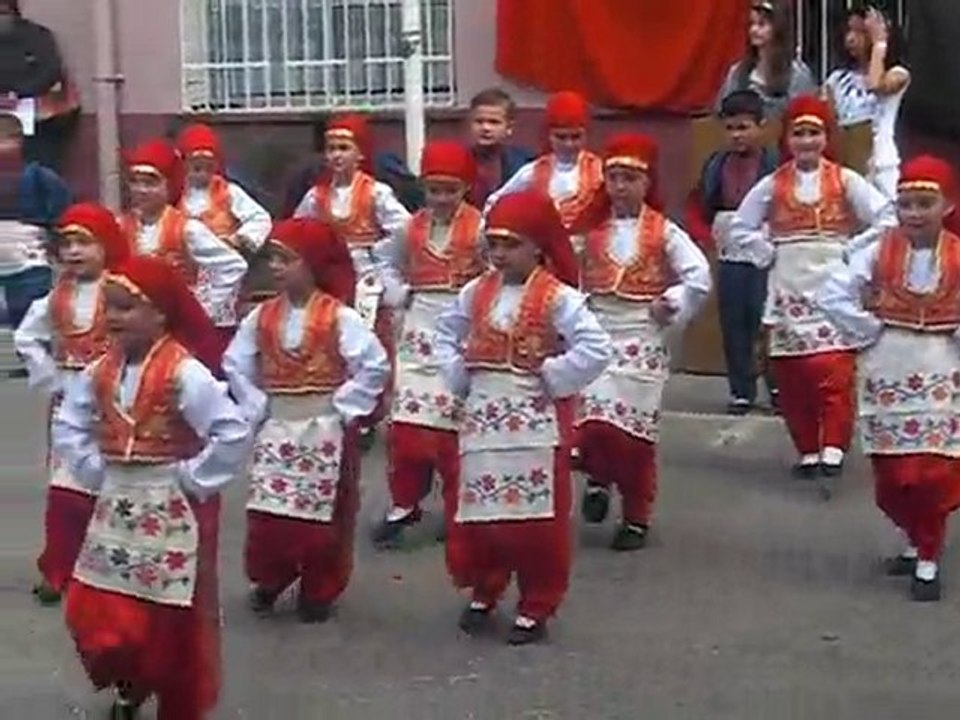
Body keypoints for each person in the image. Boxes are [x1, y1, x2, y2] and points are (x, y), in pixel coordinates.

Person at [51, 255, 250, 719]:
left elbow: (232, 431)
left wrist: (191, 478)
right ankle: (130, 677)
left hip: (168, 507)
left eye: (125, 308)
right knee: (92, 610)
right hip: (115, 505)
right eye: (110, 308)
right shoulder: (99, 371)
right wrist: (92, 470)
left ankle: (150, 686)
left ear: (160, 313)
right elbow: (69, 421)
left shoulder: (185, 372)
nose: (113, 318)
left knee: (164, 616)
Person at [436, 189, 611, 645]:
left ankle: (537, 601)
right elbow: (444, 333)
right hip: (481, 419)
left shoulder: (559, 298)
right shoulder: (475, 292)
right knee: (481, 514)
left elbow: (596, 347)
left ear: (538, 245)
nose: (499, 254)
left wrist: (553, 375)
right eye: (493, 244)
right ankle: (485, 587)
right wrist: (458, 375)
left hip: (533, 423)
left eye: (511, 244)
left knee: (535, 520)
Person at [223, 218, 387, 622]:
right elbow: (234, 361)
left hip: (323, 427)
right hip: (278, 424)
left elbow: (373, 364)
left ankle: (319, 586)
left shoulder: (338, 317)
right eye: (274, 259)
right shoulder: (261, 317)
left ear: (312, 264)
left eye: (287, 259)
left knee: (325, 515)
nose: (277, 268)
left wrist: (343, 406)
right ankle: (270, 577)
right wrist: (255, 402)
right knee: (270, 512)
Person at [729, 95, 896, 486]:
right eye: (799, 133)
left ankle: (834, 445)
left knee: (832, 367)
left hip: (832, 283)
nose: (806, 141)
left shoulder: (844, 179)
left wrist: (853, 249)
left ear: (826, 137)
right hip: (788, 282)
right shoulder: (773, 183)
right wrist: (764, 251)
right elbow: (740, 227)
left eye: (814, 133)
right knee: (791, 371)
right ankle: (807, 447)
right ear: (786, 138)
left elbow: (887, 217)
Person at [818, 156, 960, 602]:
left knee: (931, 473)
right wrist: (866, 328)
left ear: (948, 206)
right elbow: (830, 292)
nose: (914, 214)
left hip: (943, 366)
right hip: (888, 366)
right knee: (893, 481)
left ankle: (928, 561)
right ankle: (916, 535)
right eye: (906, 204)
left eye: (924, 203)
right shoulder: (878, 250)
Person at [573, 133, 711, 550]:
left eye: (630, 178)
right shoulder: (589, 231)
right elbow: (565, 272)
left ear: (648, 182)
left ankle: (636, 515)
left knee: (633, 437)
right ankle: (598, 477)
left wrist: (673, 301)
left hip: (642, 337)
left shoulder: (663, 232)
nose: (620, 187)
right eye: (613, 177)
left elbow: (699, 276)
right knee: (591, 423)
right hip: (597, 334)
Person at [14, 203, 130, 605]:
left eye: (85, 242)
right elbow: (27, 336)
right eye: (68, 244)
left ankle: (112, 568)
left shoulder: (122, 290)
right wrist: (49, 374)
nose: (75, 252)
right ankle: (59, 568)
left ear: (107, 245)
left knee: (117, 484)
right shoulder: (56, 297)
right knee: (66, 490)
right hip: (68, 403)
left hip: (118, 401)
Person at [372, 140, 487, 545]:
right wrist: (398, 292)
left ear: (465, 189)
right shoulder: (412, 226)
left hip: (461, 331)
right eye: (434, 190)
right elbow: (383, 259)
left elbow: (498, 270)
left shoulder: (482, 228)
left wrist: (481, 304)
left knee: (453, 430)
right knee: (407, 426)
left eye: (450, 190)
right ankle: (404, 502)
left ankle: (462, 506)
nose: (441, 199)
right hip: (419, 329)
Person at [293, 113, 410, 444]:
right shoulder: (317, 196)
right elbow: (298, 231)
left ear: (360, 153)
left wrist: (380, 252)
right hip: (331, 277)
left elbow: (406, 228)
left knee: (367, 342)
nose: (337, 155)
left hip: (366, 279)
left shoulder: (376, 193)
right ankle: (335, 406)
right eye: (331, 148)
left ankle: (368, 414)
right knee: (330, 340)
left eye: (344, 147)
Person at [685, 90, 780, 414]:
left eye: (744, 127)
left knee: (765, 319)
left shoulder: (775, 165)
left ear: (762, 127)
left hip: (766, 250)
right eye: (730, 128)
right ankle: (741, 389)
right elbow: (698, 206)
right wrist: (705, 236)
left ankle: (777, 385)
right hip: (728, 251)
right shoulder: (715, 165)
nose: (737, 135)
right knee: (733, 320)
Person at [120, 138, 248, 345]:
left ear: (169, 185)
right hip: (135, 329)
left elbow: (233, 266)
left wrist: (201, 307)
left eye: (150, 183)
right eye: (135, 182)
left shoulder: (186, 228)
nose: (141, 190)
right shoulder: (122, 226)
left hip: (176, 331)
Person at [823, 5, 911, 199]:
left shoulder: (897, 74)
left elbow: (875, 84)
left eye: (861, 32)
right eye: (849, 31)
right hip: (848, 163)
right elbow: (829, 121)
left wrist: (880, 45)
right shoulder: (837, 79)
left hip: (882, 163)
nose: (851, 39)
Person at [483, 90, 603, 231]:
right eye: (561, 137)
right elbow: (494, 202)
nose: (568, 144)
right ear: (548, 135)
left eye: (576, 137)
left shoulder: (600, 170)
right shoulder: (533, 171)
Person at [0, 114, 70, 331]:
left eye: (7, 139)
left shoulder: (41, 177)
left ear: (20, 140)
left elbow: (63, 216)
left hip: (30, 265)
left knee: (31, 327)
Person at [0, 0, 80, 172]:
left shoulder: (37, 35)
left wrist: (18, 94)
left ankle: (38, 178)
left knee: (44, 145)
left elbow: (50, 70)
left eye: (4, 9)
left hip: (30, 106)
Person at [176, 123, 272, 256]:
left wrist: (238, 240)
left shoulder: (228, 192)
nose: (203, 174)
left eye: (209, 168)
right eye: (197, 168)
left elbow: (260, 218)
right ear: (184, 164)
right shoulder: (175, 195)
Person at [715, 1, 817, 122]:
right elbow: (721, 114)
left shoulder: (797, 73)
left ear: (778, 28)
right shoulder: (737, 72)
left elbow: (805, 117)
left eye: (761, 24)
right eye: (751, 24)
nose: (754, 30)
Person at [465, 88, 536, 208]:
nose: (486, 128)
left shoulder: (525, 164)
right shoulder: (457, 162)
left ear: (509, 127)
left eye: (494, 122)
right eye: (479, 121)